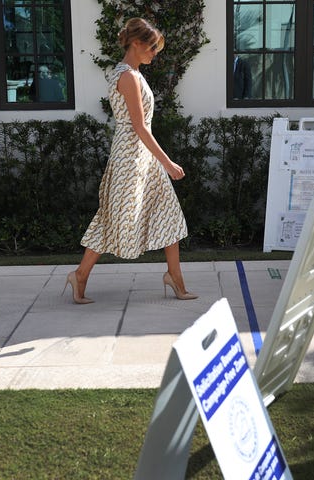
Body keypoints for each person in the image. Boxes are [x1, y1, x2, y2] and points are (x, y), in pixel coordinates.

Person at [63, 17, 197, 303]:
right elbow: (139, 126)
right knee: (112, 219)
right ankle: (81, 275)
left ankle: (175, 277)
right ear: (136, 44)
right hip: (131, 159)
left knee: (169, 213)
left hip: (141, 157)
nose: (154, 53)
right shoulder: (127, 76)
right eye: (151, 48)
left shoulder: (133, 73)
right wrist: (168, 163)